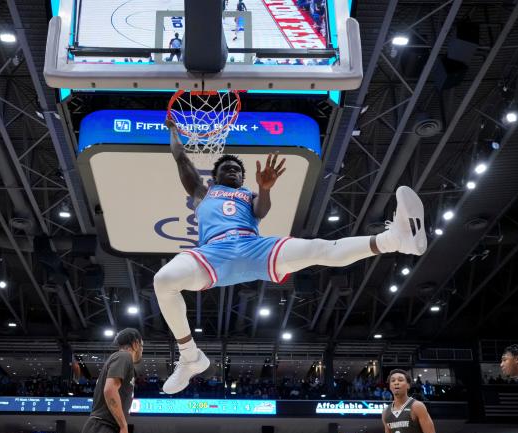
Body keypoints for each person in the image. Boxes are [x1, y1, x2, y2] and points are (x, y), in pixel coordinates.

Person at [156, 126, 427, 394]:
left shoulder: (249, 195)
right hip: (214, 253)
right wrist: (173, 131)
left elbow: (261, 210)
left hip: (253, 246)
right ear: (213, 177)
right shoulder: (203, 194)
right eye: (227, 168)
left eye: (237, 170)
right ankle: (190, 356)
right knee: (163, 280)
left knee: (320, 249)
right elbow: (181, 157)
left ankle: (394, 239)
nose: (233, 171)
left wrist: (265, 189)